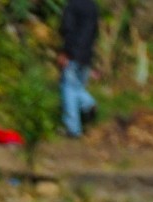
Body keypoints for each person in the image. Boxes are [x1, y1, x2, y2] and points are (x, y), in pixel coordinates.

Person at [59, 0, 100, 138]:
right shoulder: (92, 6)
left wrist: (65, 52)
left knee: (68, 88)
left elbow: (67, 29)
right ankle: (88, 104)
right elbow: (95, 31)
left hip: (73, 53)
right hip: (87, 54)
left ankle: (73, 129)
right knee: (77, 87)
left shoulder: (72, 5)